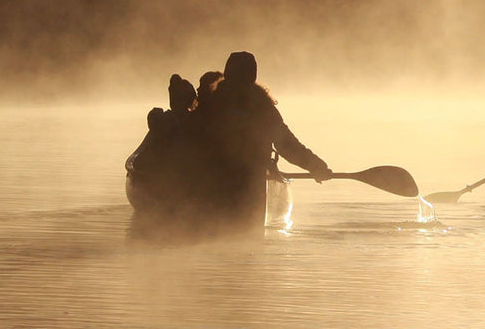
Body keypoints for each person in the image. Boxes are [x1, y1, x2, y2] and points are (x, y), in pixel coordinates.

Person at [192, 51, 332, 219]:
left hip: (209, 192)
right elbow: (287, 145)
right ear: (252, 76)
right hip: (248, 192)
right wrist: (316, 167)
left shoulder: (210, 106)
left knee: (212, 241)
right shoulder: (262, 109)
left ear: (228, 74)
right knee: (246, 242)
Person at [125, 73, 198, 198]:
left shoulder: (159, 119)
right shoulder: (195, 121)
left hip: (159, 172)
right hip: (181, 175)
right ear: (191, 101)